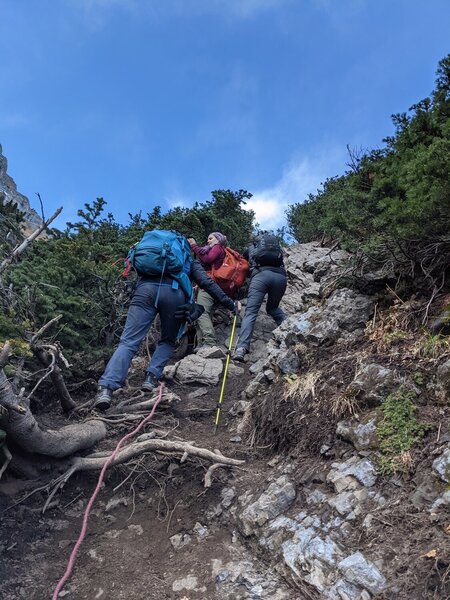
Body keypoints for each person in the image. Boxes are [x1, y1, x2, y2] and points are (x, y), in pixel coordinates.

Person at [94, 236, 236, 411]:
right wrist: (230, 304)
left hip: (144, 291)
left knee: (128, 342)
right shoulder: (188, 261)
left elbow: (132, 271)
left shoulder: (152, 257)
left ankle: (106, 389)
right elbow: (207, 283)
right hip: (174, 294)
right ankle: (151, 378)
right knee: (168, 340)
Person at [232, 234, 287, 362]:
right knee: (273, 308)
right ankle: (290, 332)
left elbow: (242, 264)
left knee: (250, 312)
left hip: (260, 276)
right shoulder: (277, 249)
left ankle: (241, 348)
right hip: (280, 278)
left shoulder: (252, 249)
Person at [187, 232, 228, 349]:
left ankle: (209, 342)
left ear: (218, 239)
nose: (208, 241)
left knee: (201, 312)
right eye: (208, 239)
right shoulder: (212, 249)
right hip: (207, 285)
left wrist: (194, 246)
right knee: (204, 313)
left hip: (210, 285)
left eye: (211, 238)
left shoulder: (218, 247)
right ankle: (201, 344)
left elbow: (207, 259)